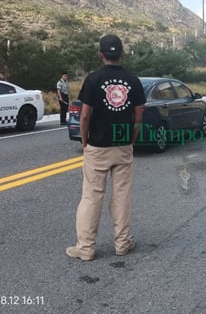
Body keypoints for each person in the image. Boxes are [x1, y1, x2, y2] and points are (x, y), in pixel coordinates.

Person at [66, 34, 146, 261]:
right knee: (122, 195)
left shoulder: (93, 79)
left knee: (91, 196)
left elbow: (85, 116)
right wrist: (132, 138)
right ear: (121, 54)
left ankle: (86, 249)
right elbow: (139, 113)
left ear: (100, 54)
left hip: (97, 146)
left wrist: (84, 142)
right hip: (122, 145)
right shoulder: (132, 80)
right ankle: (122, 243)